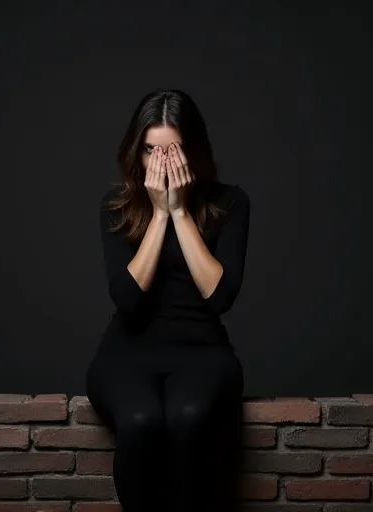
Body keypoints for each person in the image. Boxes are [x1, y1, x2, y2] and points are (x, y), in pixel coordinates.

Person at [85, 89, 250, 511]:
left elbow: (219, 296)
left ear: (192, 151)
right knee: (140, 423)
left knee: (188, 420)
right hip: (128, 352)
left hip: (202, 352)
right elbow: (127, 299)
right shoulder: (117, 206)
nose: (159, 164)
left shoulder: (230, 202)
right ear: (136, 152)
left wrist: (179, 213)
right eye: (149, 152)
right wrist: (158, 214)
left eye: (171, 152)